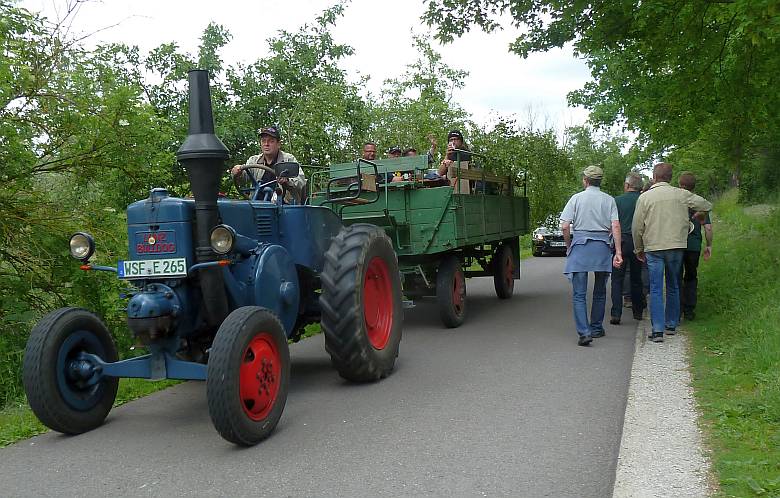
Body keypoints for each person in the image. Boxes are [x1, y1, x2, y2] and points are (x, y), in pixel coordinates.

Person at [632, 163, 712, 343]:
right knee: (674, 285)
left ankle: (658, 329)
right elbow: (707, 205)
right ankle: (671, 324)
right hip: (676, 246)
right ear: (670, 177)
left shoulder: (645, 198)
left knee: (656, 287)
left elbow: (637, 226)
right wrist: (698, 216)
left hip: (654, 247)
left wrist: (639, 248)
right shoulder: (681, 194)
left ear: (654, 176)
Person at [560, 166, 623, 346]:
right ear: (599, 181)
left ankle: (584, 332)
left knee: (579, 294)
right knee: (600, 291)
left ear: (585, 180)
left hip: (580, 247)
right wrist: (618, 252)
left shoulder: (576, 199)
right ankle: (596, 327)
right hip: (602, 248)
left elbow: (565, 226)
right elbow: (616, 226)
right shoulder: (609, 200)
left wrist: (568, 245)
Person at [231, 126, 306, 203]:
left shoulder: (288, 159)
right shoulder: (254, 160)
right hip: (256, 205)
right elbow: (243, 177)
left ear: (278, 144)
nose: (266, 144)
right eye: (263, 141)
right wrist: (237, 172)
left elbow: (301, 181)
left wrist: (287, 181)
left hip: (283, 207)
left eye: (271, 141)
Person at [610, 172, 645, 324]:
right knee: (637, 278)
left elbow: (612, 223)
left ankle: (616, 313)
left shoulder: (617, 201)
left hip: (621, 241)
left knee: (617, 278)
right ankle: (638, 312)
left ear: (627, 185)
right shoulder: (643, 200)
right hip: (639, 242)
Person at [678, 171, 713, 321]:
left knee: (676, 277)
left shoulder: (676, 202)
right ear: (693, 187)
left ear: (680, 185)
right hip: (693, 246)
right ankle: (689, 310)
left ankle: (676, 309)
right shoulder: (700, 204)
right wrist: (709, 245)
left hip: (677, 244)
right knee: (691, 277)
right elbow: (708, 228)